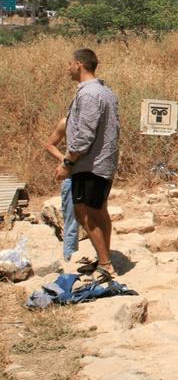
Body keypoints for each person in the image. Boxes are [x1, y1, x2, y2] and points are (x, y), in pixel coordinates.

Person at [53, 48, 120, 282]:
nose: (68, 68)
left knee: (85, 213)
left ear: (79, 64)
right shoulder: (105, 92)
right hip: (102, 162)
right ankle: (103, 259)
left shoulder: (89, 94)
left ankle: (106, 265)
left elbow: (84, 136)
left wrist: (67, 162)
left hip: (91, 164)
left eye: (69, 63)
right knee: (98, 211)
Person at [44, 117, 79, 262]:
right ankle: (69, 259)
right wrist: (64, 161)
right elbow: (50, 144)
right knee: (71, 221)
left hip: (92, 175)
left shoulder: (94, 120)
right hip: (71, 176)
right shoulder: (67, 122)